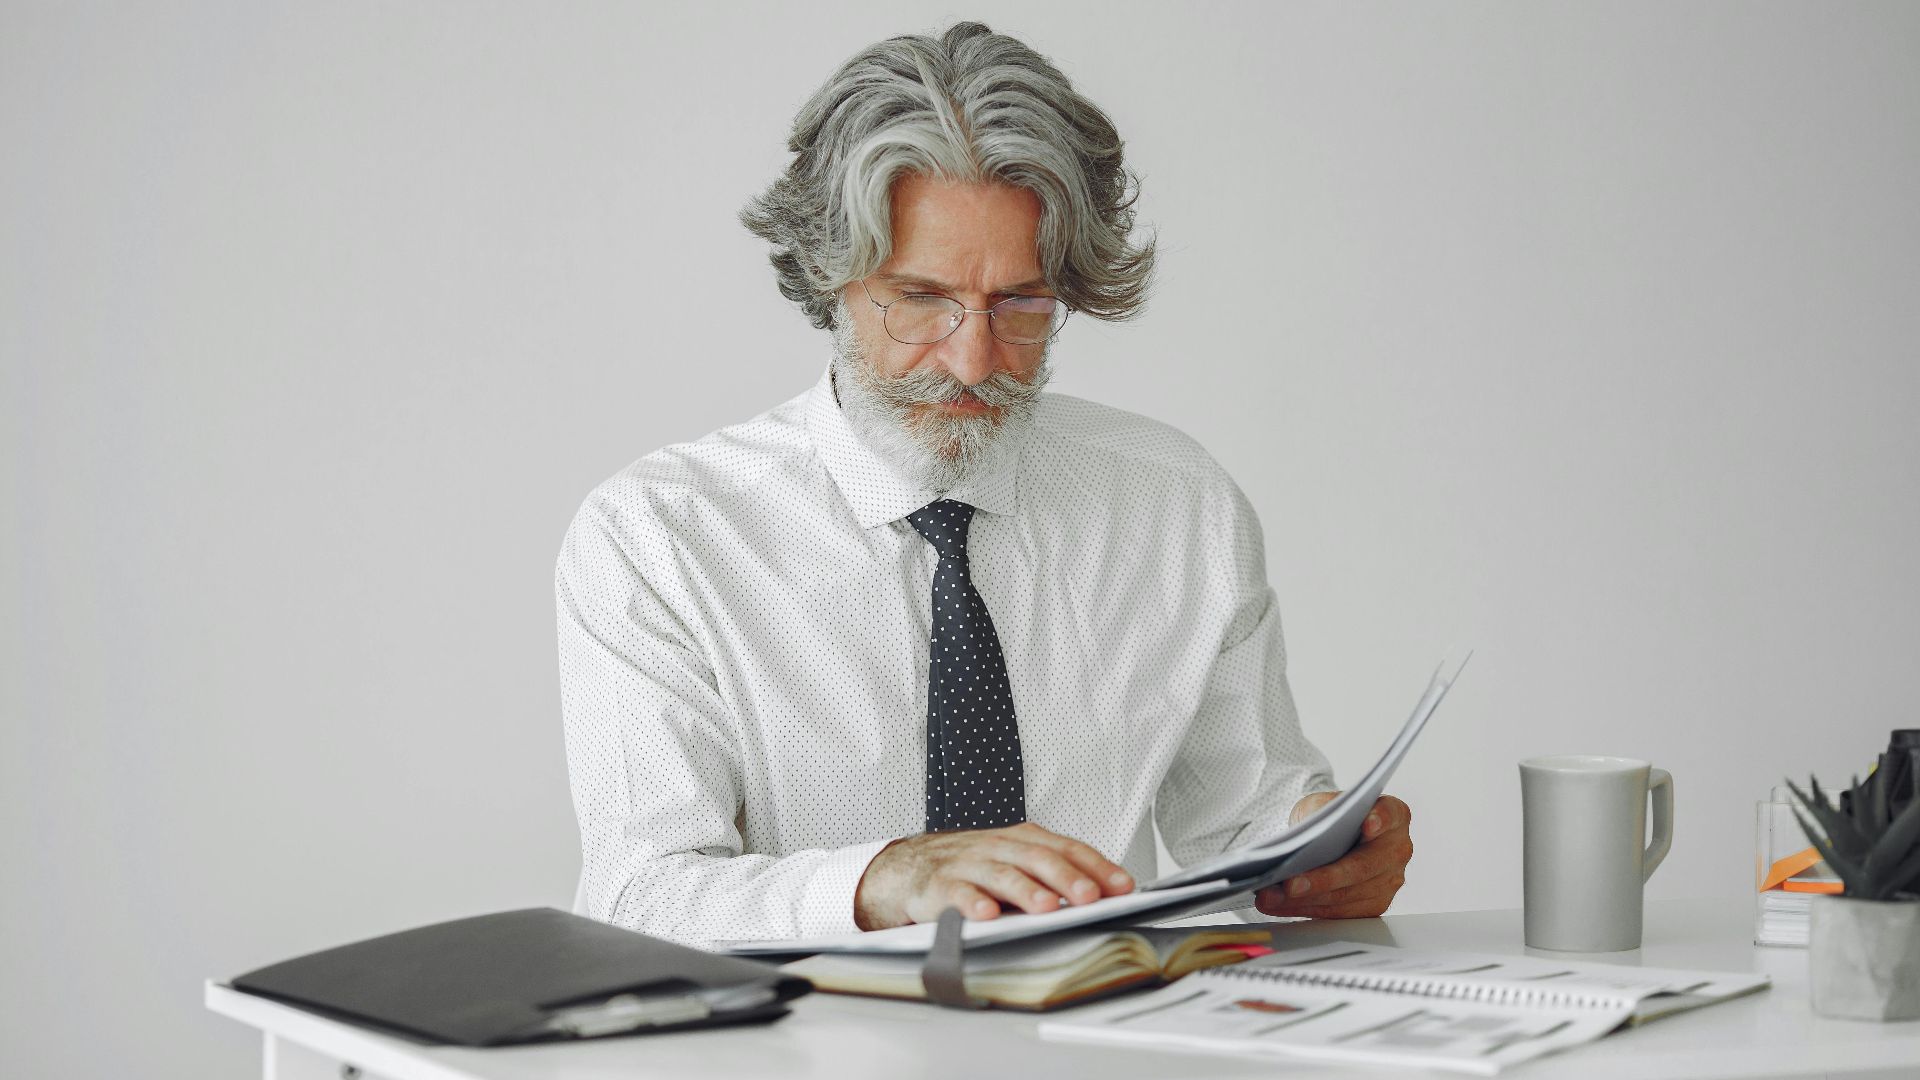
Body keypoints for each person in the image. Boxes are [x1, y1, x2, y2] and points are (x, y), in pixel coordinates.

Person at [555, 21, 1412, 947]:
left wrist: (1315, 853)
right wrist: (884, 880)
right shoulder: (660, 535)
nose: (972, 360)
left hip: (1097, 1033)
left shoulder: (1176, 504)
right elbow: (637, 895)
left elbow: (1248, 817)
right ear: (827, 275)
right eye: (921, 298)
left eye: (1021, 303)